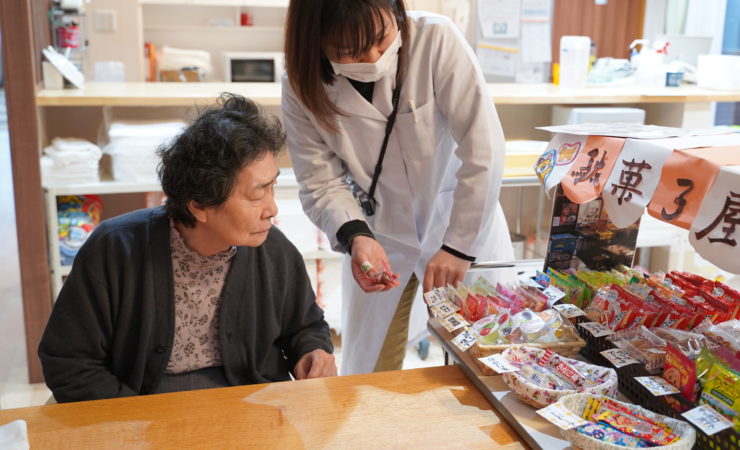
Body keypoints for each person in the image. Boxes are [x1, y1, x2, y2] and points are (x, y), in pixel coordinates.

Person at [38, 93, 336, 403]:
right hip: (139, 404)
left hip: (250, 403)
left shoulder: (273, 249)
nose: (272, 209)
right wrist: (135, 422)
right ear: (200, 206)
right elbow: (69, 362)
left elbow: (306, 325)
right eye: (256, 194)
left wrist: (312, 351)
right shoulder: (115, 249)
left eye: (272, 186)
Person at [282, 0, 514, 375]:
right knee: (370, 372)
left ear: (396, 12)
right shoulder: (301, 82)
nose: (373, 58)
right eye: (349, 51)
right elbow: (318, 180)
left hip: (459, 224)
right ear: (316, 43)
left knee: (488, 365)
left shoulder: (434, 40)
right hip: (379, 236)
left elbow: (483, 147)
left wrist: (458, 246)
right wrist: (356, 236)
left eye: (380, 38)